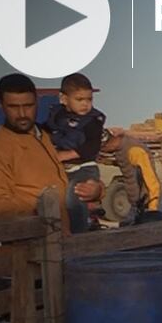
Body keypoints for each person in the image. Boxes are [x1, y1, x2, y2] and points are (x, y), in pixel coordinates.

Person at [0, 75, 73, 232]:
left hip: (62, 240)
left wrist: (92, 192)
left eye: (28, 105)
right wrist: (43, 208)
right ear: (0, 105)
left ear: (37, 101)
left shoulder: (45, 136)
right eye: (13, 107)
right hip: (31, 247)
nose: (22, 113)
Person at [44, 73, 107, 233]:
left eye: (89, 99)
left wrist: (64, 155)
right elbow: (45, 131)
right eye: (80, 100)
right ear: (64, 99)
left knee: (74, 195)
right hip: (62, 170)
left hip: (84, 168)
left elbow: (92, 148)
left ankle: (79, 235)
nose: (86, 104)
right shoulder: (57, 116)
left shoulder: (93, 120)